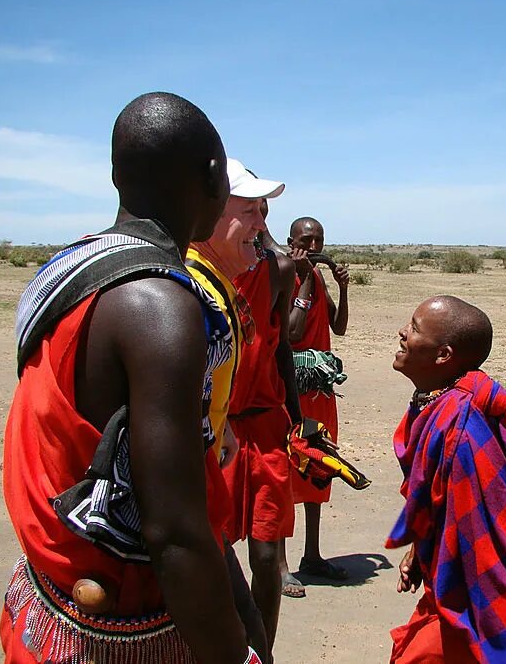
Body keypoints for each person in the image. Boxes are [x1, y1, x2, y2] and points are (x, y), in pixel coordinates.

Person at [1, 93, 258, 663]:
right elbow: (174, 531)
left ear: (118, 175)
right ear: (214, 175)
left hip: (54, 594)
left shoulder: (73, 264)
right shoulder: (159, 304)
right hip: (126, 615)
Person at [386, 295, 506, 663]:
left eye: (415, 328)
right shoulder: (437, 403)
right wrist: (420, 552)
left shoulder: (461, 431)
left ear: (443, 356)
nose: (402, 333)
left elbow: (473, 527)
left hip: (486, 588)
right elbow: (438, 503)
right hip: (458, 577)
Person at [186, 158, 281, 661]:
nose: (264, 226)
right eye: (251, 211)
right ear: (208, 211)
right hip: (183, 516)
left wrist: (218, 432)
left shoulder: (215, 286)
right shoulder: (189, 294)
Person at [223, 175, 301, 661]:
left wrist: (299, 419)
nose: (260, 220)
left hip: (267, 426)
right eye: (248, 208)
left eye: (264, 210)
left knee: (267, 555)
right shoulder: (190, 270)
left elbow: (281, 351)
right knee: (213, 547)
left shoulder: (277, 269)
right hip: (217, 431)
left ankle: (263, 650)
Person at [280, 216, 350, 593]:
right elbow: (291, 332)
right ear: (291, 241)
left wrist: (341, 286)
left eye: (318, 240)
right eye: (305, 241)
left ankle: (312, 554)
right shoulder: (283, 277)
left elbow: (337, 327)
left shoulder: (318, 279)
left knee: (319, 466)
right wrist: (305, 275)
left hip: (320, 388)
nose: (312, 247)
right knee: (287, 469)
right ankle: (279, 563)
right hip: (291, 389)